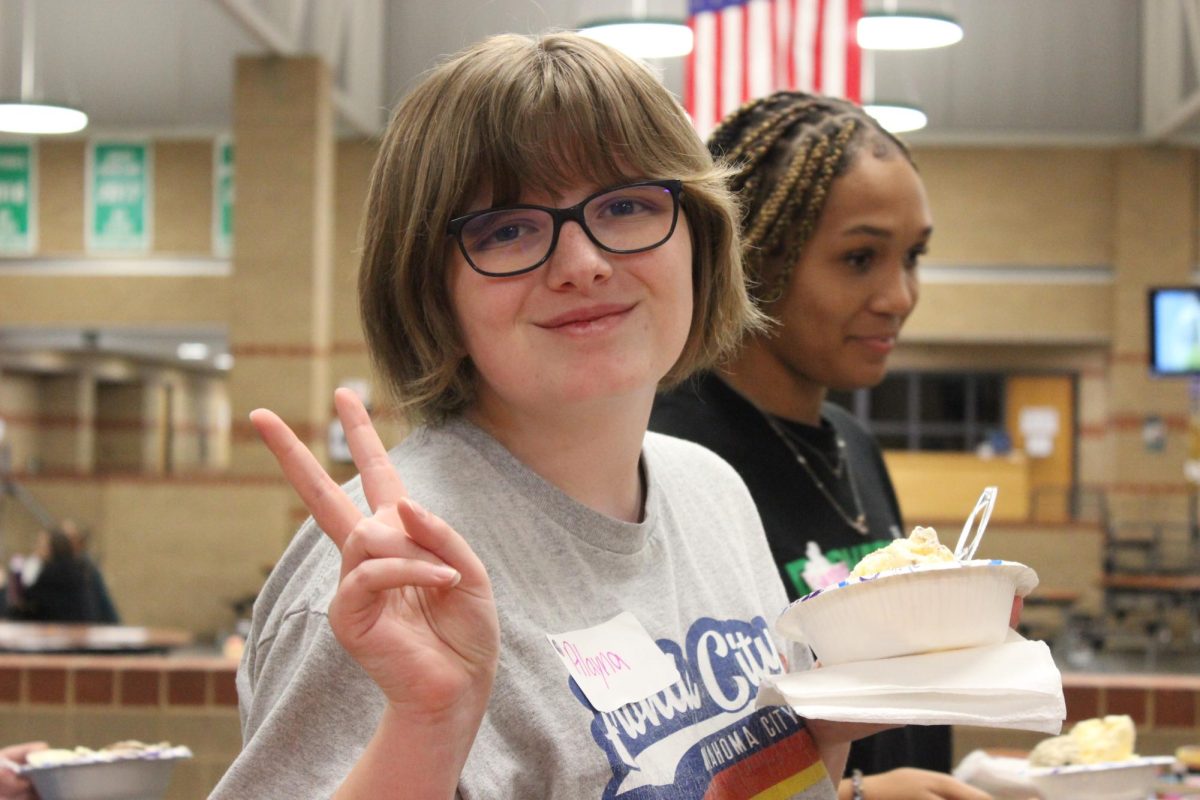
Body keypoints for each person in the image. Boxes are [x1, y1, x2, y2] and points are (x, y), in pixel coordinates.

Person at [211, 33, 895, 799]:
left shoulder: (714, 495)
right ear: (429, 287)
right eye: (508, 228)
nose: (583, 263)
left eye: (628, 205)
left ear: (698, 238)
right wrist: (424, 731)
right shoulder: (387, 577)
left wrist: (825, 737)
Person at [651, 92, 989, 799]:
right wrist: (853, 794)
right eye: (860, 258)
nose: (900, 295)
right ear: (757, 257)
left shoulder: (853, 443)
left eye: (914, 257)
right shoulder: (669, 452)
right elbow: (664, 750)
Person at [9, 528, 98, 623]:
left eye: (41, 545)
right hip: (75, 625)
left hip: (65, 629)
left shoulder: (54, 573)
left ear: (51, 548)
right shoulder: (74, 568)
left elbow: (29, 600)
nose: (37, 548)